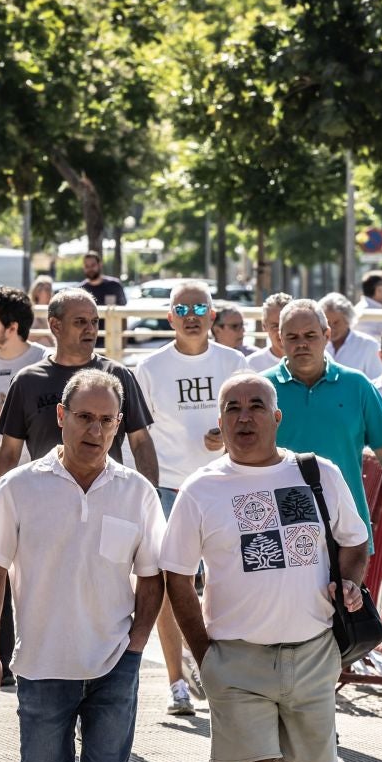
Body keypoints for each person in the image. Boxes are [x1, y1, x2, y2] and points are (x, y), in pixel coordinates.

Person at [162, 372, 370, 762]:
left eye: (257, 405)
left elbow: (355, 543)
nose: (245, 416)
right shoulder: (201, 490)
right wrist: (205, 654)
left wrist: (349, 583)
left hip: (312, 653)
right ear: (220, 421)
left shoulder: (316, 473)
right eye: (233, 407)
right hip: (237, 661)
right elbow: (175, 576)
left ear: (277, 418)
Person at [0, 369, 164, 762]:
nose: (97, 429)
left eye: (108, 420)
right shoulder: (20, 486)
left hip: (113, 663)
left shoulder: (136, 491)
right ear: (61, 417)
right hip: (40, 665)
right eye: (85, 417)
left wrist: (136, 644)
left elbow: (153, 574)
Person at [133, 281, 249, 716]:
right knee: (167, 586)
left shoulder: (233, 361)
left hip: (221, 483)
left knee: (225, 580)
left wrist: (226, 435)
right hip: (166, 488)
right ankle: (177, 682)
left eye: (201, 306)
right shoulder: (150, 367)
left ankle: (223, 673)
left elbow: (248, 416)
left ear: (213, 315)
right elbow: (137, 435)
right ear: (169, 317)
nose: (192, 314)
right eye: (183, 308)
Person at [267, 299, 382, 545]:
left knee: (350, 585)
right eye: (293, 337)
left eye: (310, 335)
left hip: (346, 523)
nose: (302, 344)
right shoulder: (262, 389)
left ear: (326, 334)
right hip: (281, 522)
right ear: (280, 338)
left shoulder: (357, 385)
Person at [0, 290, 157, 484]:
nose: (90, 329)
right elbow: (9, 452)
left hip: (107, 496)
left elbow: (140, 442)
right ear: (55, 325)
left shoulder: (118, 376)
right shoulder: (26, 381)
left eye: (95, 322)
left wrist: (152, 492)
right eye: (80, 322)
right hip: (44, 498)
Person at [0, 287, 43, 682]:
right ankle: (1, 662)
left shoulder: (40, 364)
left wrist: (7, 413)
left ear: (13, 327)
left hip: (34, 485)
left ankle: (33, 656)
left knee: (32, 573)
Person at [319, 292, 382, 380]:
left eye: (336, 323)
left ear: (347, 320)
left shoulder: (369, 346)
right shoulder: (317, 345)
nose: (331, 328)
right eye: (327, 323)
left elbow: (376, 382)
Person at [244, 293, 292, 373]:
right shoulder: (250, 365)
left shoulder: (312, 361)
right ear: (264, 326)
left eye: (287, 324)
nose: (281, 332)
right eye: (275, 326)